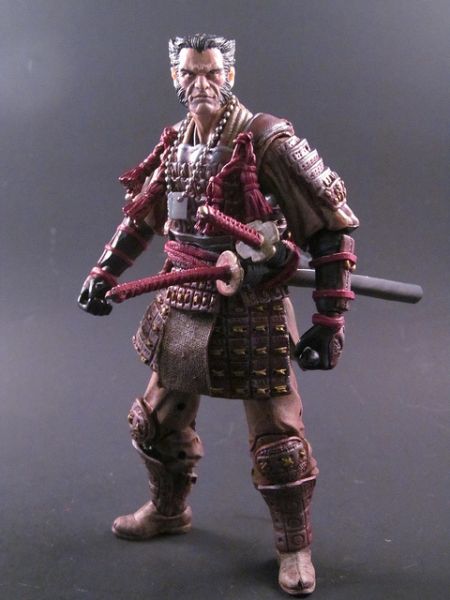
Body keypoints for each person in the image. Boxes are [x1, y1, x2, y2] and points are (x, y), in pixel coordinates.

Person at [78, 34, 358, 597]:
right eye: (190, 73)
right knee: (155, 424)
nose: (200, 83)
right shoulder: (176, 142)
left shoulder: (266, 141)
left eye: (211, 73)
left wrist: (329, 321)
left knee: (279, 445)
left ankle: (294, 546)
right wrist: (105, 271)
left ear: (229, 75)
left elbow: (331, 228)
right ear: (175, 78)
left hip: (252, 307)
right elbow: (143, 216)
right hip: (184, 301)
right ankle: (168, 511)